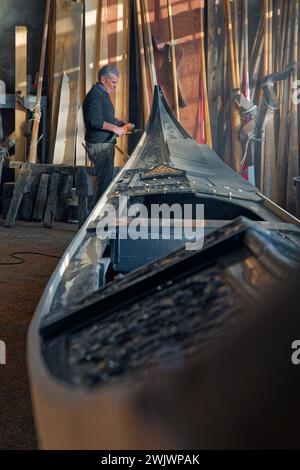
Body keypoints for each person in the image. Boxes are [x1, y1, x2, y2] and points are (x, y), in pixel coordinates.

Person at [82, 64, 133, 205]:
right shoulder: (94, 96)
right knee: (103, 184)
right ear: (103, 79)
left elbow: (104, 117)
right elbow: (94, 121)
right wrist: (115, 129)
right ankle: (96, 218)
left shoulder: (102, 94)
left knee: (105, 182)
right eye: (113, 82)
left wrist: (118, 123)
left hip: (105, 144)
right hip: (99, 146)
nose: (115, 86)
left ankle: (99, 216)